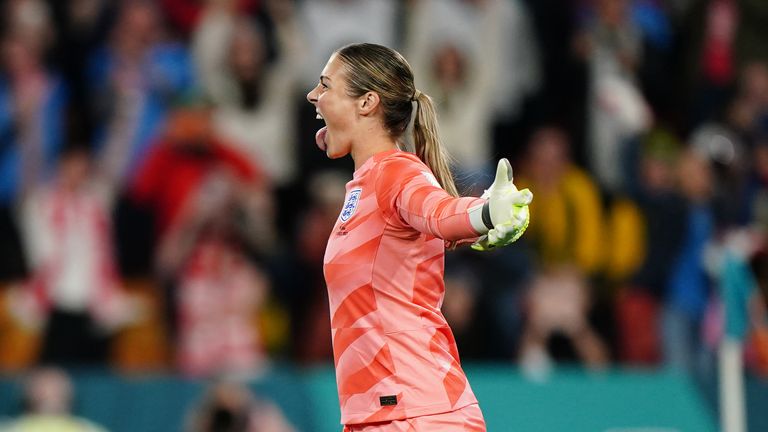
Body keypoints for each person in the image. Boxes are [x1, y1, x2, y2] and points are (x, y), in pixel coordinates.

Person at [305, 43, 531, 432]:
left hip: (416, 412)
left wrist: (488, 211)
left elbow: (441, 212)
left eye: (326, 86)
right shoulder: (365, 185)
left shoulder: (396, 173)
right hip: (380, 414)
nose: (313, 95)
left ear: (367, 103)